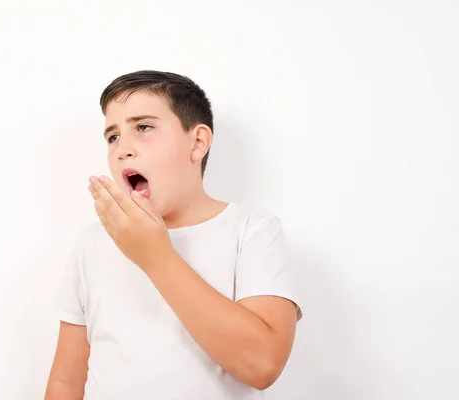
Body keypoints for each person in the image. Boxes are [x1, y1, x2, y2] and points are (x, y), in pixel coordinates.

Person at [44, 70, 302, 400]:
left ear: (197, 143)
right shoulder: (92, 243)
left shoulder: (252, 229)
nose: (123, 148)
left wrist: (155, 256)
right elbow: (67, 382)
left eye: (144, 127)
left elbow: (262, 365)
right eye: (113, 136)